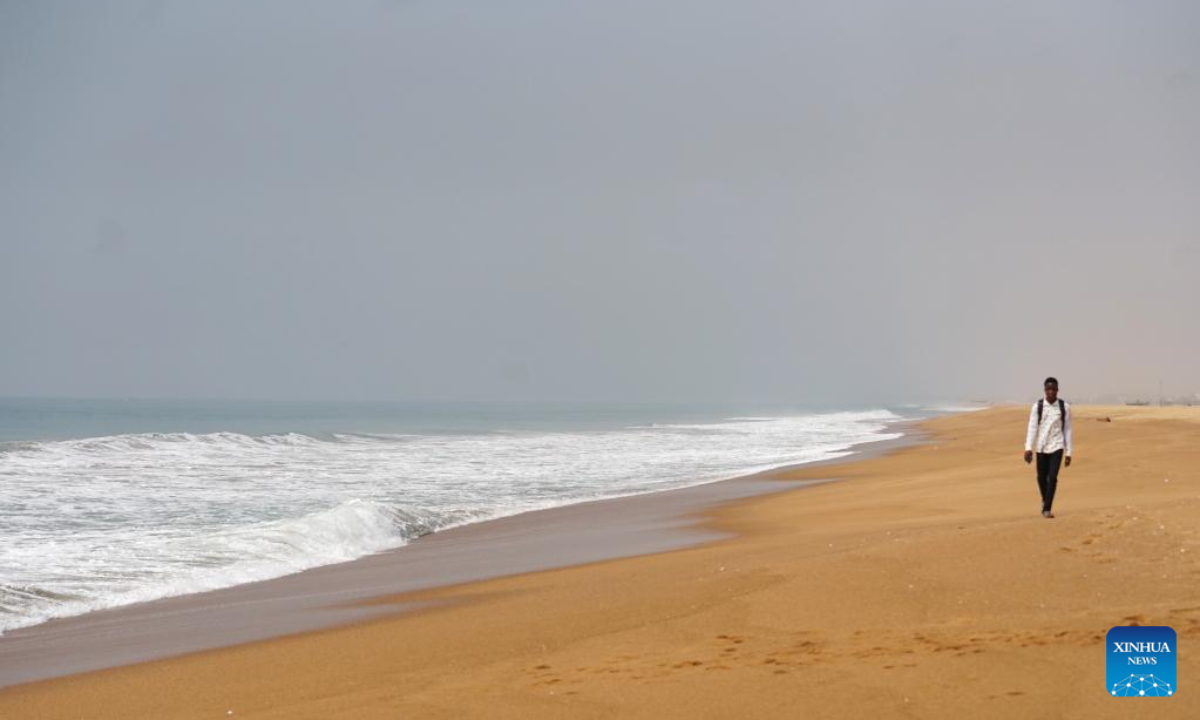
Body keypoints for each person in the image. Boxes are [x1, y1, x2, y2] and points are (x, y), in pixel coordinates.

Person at [1024, 377, 1072, 518]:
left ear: (1057, 390)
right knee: (1041, 478)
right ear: (1045, 390)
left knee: (1052, 477)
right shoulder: (1037, 406)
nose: (1051, 391)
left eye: (1053, 389)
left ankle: (1047, 509)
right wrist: (1028, 448)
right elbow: (1032, 428)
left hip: (1057, 446)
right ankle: (1045, 499)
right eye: (1048, 389)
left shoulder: (1064, 407)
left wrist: (1069, 452)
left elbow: (1068, 429)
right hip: (1041, 447)